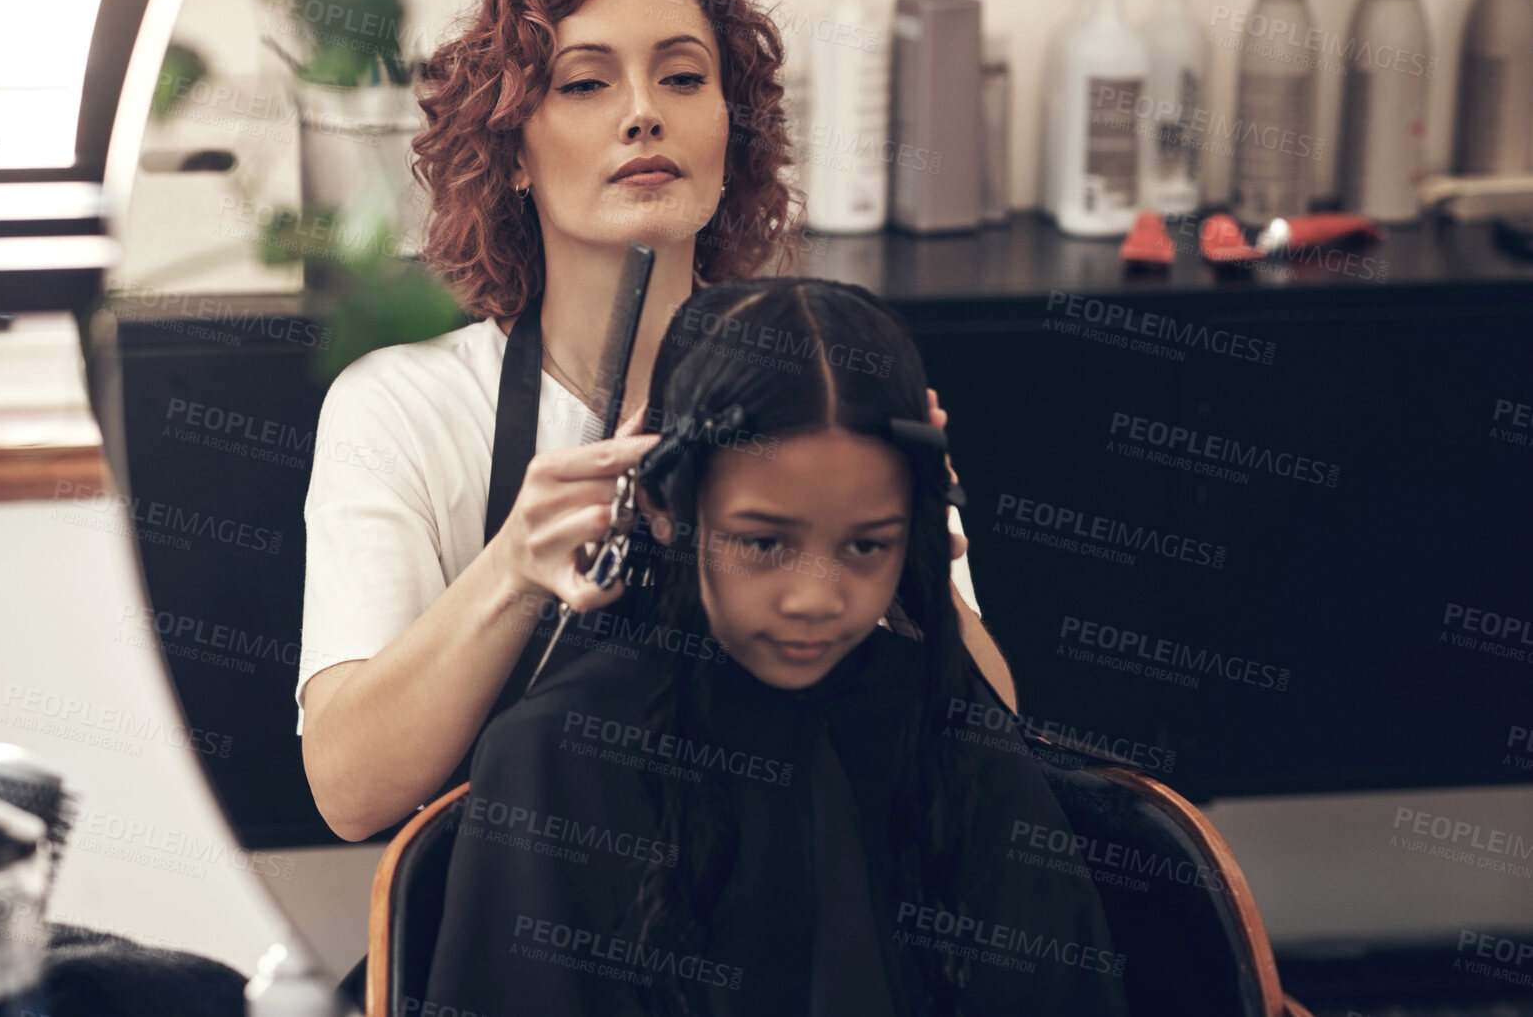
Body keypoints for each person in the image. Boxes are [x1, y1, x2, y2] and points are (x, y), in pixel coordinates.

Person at [296, 0, 1014, 849]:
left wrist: (913, 570)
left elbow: (998, 742)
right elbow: (351, 794)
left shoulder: (831, 384)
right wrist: (516, 564)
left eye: (682, 77)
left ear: (730, 126)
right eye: (586, 82)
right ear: (510, 149)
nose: (644, 113)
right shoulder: (399, 409)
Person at [421, 278, 1130, 1016]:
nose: (815, 597)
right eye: (762, 541)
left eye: (866, 543)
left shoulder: (959, 740)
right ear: (664, 507)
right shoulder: (556, 757)